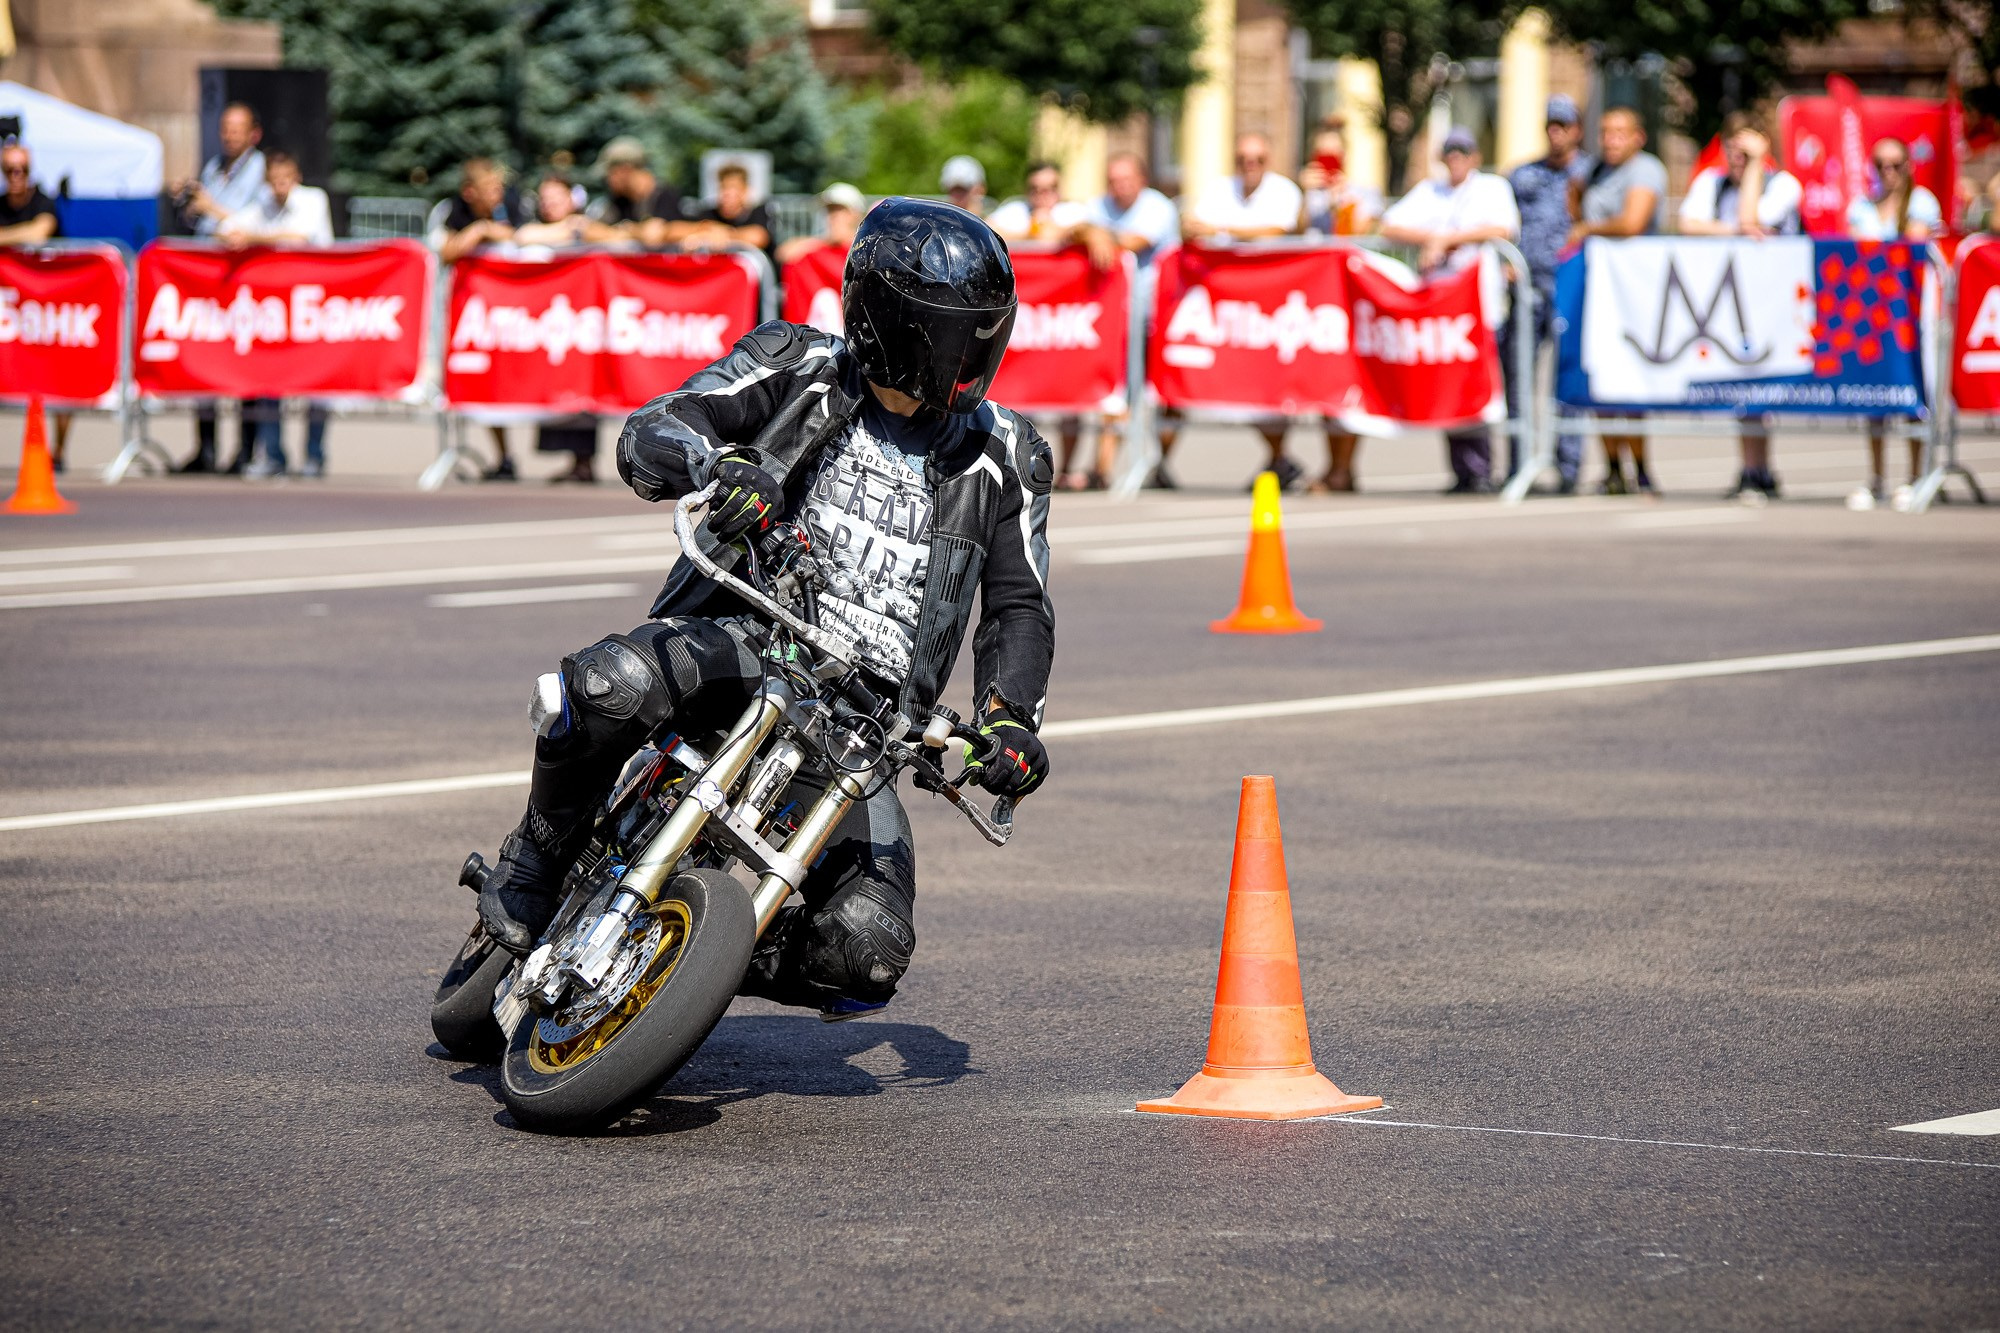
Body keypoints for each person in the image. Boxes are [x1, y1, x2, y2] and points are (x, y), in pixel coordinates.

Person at [474, 197, 1055, 1026]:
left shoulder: (1011, 452)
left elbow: (1020, 606)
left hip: (866, 723)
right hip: (746, 635)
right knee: (610, 684)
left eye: (988, 329)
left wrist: (1011, 723)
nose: (977, 352)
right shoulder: (798, 362)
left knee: (868, 948)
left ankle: (692, 956)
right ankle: (536, 856)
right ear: (896, 320)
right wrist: (721, 466)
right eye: (960, 331)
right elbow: (656, 427)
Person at [1379, 127, 1521, 494]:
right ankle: (1466, 470)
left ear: (1475, 156)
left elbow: (1501, 228)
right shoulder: (1430, 191)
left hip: (1482, 306)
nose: (1456, 157)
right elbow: (1389, 225)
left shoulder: (1491, 187)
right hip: (1444, 309)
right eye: (1451, 151)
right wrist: (1431, 239)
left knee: (1486, 388)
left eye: (1464, 151)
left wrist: (1447, 239)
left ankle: (1494, 467)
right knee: (1450, 387)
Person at [1166, 134, 1309, 490]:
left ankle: (1279, 458)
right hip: (1224, 304)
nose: (1250, 166)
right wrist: (1199, 227)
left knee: (1265, 385)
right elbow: (1192, 225)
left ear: (1268, 161)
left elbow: (1278, 231)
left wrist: (1222, 230)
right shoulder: (1219, 189)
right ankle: (1160, 462)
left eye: (1257, 159)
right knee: (1203, 376)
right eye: (1244, 158)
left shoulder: (1283, 191)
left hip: (1270, 306)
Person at [1679, 111, 1803, 501]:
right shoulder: (1711, 182)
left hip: (1776, 300)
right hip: (1728, 299)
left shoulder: (1783, 185)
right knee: (1742, 386)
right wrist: (1733, 231)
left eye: (1747, 152)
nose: (1738, 159)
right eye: (1734, 151)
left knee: (1760, 383)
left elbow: (1755, 217)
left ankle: (1760, 468)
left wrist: (1755, 168)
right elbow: (1689, 223)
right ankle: (1753, 469)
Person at [1063, 153, 1181, 490]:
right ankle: (1104, 469)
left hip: (1158, 315)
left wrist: (1099, 235)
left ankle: (1156, 461)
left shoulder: (1158, 208)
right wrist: (1090, 232)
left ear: (1142, 180)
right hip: (1117, 316)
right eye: (1114, 180)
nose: (1120, 187)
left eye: (1127, 180)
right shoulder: (1101, 206)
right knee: (1116, 391)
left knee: (1167, 396)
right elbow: (1077, 230)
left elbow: (1133, 242)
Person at [1569, 106, 1667, 496]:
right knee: (1600, 381)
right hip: (1598, 290)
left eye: (1619, 132)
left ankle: (1641, 468)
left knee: (1630, 383)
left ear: (1637, 136)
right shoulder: (1596, 171)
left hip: (1634, 291)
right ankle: (1612, 468)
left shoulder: (1645, 169)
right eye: (1606, 132)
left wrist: (1587, 228)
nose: (1610, 139)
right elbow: (1576, 214)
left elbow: (1631, 223)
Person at [219, 152, 335, 479]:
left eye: (286, 177)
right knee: (269, 380)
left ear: (296, 176)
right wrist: (229, 229)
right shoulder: (263, 203)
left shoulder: (313, 200)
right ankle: (273, 455)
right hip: (275, 311)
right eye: (275, 179)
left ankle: (314, 455)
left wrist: (252, 238)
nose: (280, 185)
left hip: (313, 307)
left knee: (316, 384)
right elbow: (229, 228)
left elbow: (299, 236)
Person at [171, 102, 271, 475]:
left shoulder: (260, 169)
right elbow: (201, 220)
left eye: (236, 128)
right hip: (207, 277)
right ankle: (207, 449)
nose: (228, 134)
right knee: (204, 360)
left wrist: (209, 205)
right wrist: (189, 201)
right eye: (225, 127)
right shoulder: (214, 167)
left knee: (244, 364)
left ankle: (245, 451)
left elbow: (248, 221)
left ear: (253, 133)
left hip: (243, 279)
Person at [1846, 137, 1943, 511]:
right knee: (1875, 396)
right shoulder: (1862, 206)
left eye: (1896, 164)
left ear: (1908, 166)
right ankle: (1876, 478)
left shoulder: (1921, 202)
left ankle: (1917, 475)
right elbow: (1857, 249)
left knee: (1910, 395)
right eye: (1881, 165)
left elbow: (1911, 245)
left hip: (1911, 313)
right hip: (1874, 314)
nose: (1889, 172)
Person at [1505, 95, 1592, 493]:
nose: (1556, 132)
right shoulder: (1522, 176)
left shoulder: (1590, 173)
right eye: (1551, 125)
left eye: (1564, 124)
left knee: (1568, 378)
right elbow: (1504, 222)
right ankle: (1518, 461)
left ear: (1577, 130)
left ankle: (1568, 466)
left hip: (1571, 287)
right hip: (1527, 288)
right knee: (1518, 376)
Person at [437, 159, 529, 479]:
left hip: (520, 311)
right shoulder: (458, 211)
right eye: (489, 190)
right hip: (482, 318)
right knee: (490, 384)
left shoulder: (513, 205)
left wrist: (493, 231)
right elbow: (447, 252)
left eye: (497, 189)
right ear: (470, 193)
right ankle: (504, 457)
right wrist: (477, 230)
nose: (496, 196)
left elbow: (522, 238)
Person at [0, 141, 76, 472]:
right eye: (9, 171)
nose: (17, 177)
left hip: (49, 310)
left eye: (23, 171)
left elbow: (39, 231)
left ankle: (57, 450)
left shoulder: (43, 201)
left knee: (60, 380)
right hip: (12, 312)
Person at [591, 137, 691, 248]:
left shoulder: (664, 196)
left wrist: (628, 230)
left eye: (609, 174)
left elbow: (654, 235)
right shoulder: (620, 200)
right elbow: (592, 229)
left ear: (624, 170)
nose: (607, 180)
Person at [683, 163, 773, 257]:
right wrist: (704, 230)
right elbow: (673, 230)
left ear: (745, 191)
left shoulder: (757, 212)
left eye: (733, 188)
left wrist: (725, 233)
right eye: (723, 188)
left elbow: (759, 237)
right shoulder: (709, 213)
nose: (727, 194)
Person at [775, 182, 864, 268]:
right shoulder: (817, 248)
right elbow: (783, 254)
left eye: (839, 210)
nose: (833, 216)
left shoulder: (865, 251)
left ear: (855, 214)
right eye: (830, 210)